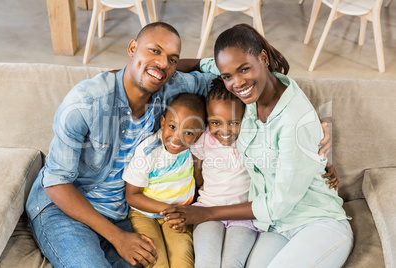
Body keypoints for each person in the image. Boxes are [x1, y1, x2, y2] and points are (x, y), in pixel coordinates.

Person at [25, 22, 217, 268]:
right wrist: (117, 237)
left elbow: (223, 79)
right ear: (132, 47)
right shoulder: (85, 102)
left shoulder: (173, 89)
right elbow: (56, 182)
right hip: (63, 209)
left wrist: (269, 74)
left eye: (172, 59)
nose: (162, 64)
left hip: (120, 214)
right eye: (154, 51)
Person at [162, 23, 353, 267]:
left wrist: (207, 213)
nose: (237, 83)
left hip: (318, 223)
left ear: (263, 58)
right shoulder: (247, 100)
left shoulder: (292, 121)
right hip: (274, 227)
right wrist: (137, 71)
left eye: (244, 69)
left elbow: (278, 204)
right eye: (228, 76)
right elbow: (202, 64)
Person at [122, 93, 206, 268]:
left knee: (183, 257)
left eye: (188, 132)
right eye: (173, 127)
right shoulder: (148, 151)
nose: (177, 137)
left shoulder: (195, 150)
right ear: (163, 123)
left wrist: (187, 213)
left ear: (197, 136)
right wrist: (169, 209)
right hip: (144, 214)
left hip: (178, 215)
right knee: (155, 258)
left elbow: (199, 182)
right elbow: (132, 196)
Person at [190, 77, 259, 267]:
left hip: (243, 216)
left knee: (232, 263)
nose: (225, 130)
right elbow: (197, 170)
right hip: (208, 208)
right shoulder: (203, 140)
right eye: (215, 123)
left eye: (234, 123)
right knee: (206, 261)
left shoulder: (252, 139)